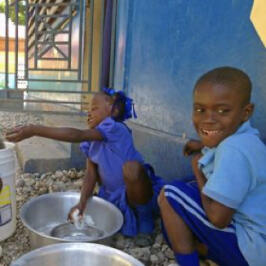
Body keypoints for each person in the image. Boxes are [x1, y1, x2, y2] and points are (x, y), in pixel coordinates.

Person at [6, 88, 165, 237]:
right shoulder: (92, 142)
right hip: (115, 196)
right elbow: (90, 174)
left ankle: (144, 214)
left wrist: (35, 130)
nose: (89, 113)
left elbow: (77, 135)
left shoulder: (115, 128)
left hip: (139, 191)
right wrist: (81, 204)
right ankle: (128, 215)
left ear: (113, 110)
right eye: (88, 110)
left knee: (132, 168)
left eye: (94, 108)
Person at [158, 66, 266, 266]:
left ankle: (189, 261)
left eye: (222, 111)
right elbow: (228, 145)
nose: (208, 119)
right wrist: (202, 145)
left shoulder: (234, 150)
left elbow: (218, 219)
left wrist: (198, 169)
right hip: (258, 242)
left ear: (246, 112)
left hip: (250, 249)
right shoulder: (246, 138)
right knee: (186, 191)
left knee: (170, 195)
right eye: (200, 109)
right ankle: (205, 250)